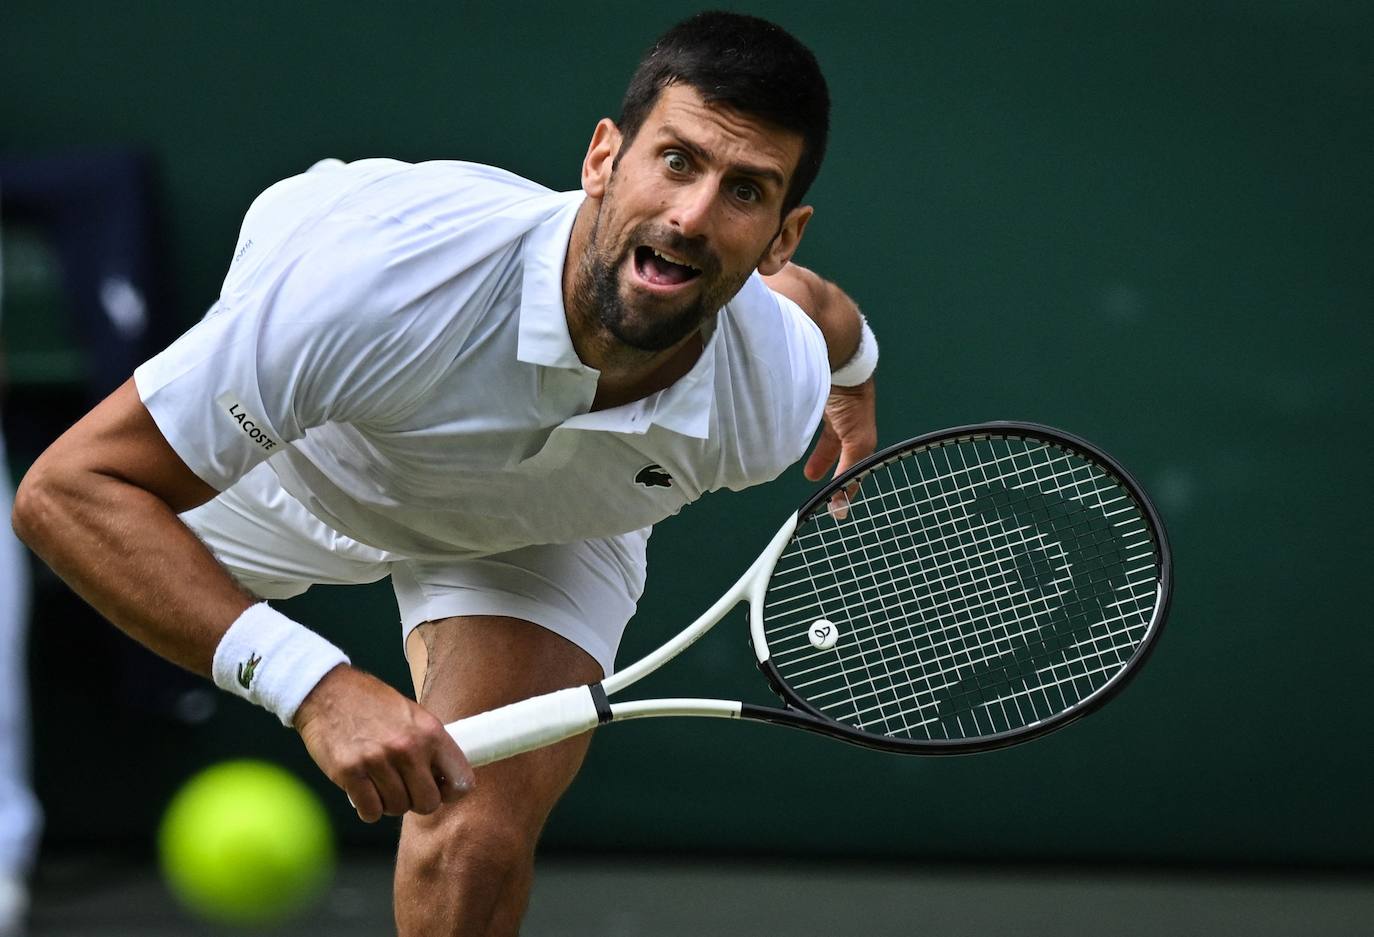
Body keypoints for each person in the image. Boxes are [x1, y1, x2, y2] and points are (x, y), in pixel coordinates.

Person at [10, 12, 879, 936]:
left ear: (782, 237)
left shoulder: (770, 389)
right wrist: (314, 684)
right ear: (602, 158)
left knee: (475, 836)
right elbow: (67, 491)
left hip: (543, 523)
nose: (694, 215)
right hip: (300, 461)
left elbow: (815, 309)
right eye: (676, 161)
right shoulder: (380, 282)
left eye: (745, 191)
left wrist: (857, 373)